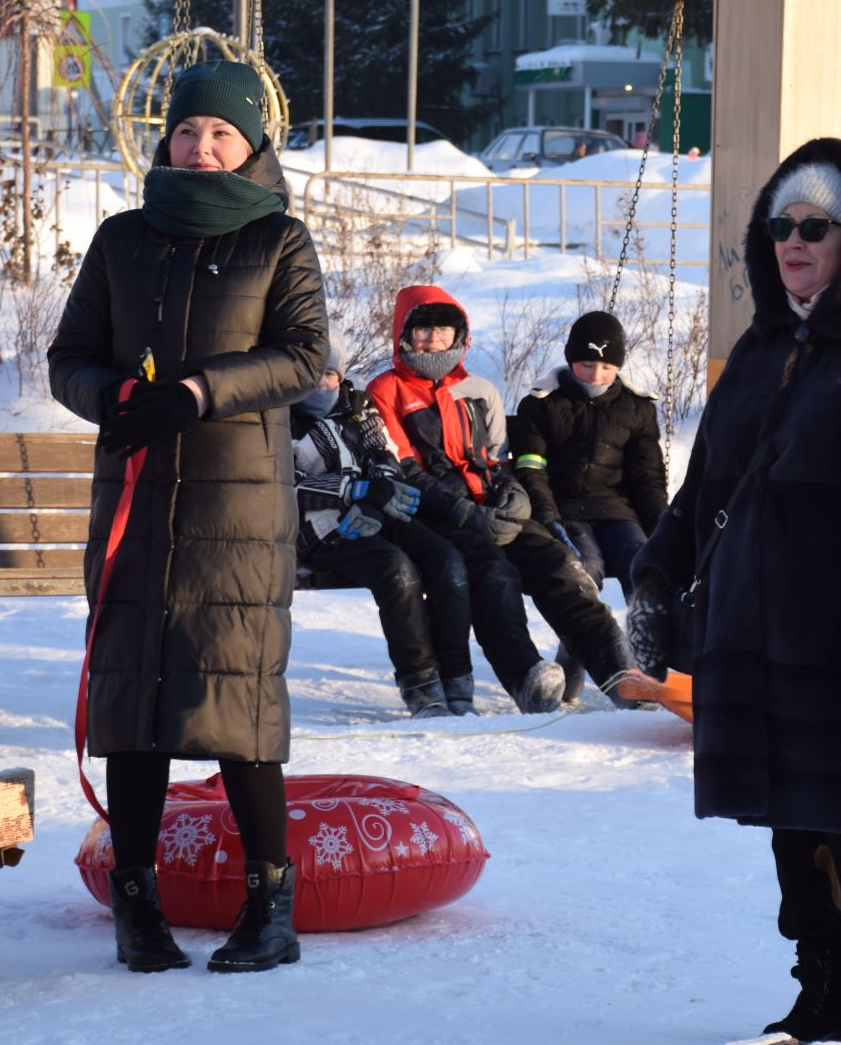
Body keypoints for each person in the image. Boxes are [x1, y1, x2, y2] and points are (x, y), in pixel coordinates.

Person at [627, 138, 841, 1045]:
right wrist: (657, 580)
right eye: (781, 224)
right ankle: (824, 997)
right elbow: (703, 488)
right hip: (753, 631)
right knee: (790, 825)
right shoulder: (759, 348)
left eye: (816, 226)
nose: (794, 240)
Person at [47, 59, 329, 976]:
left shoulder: (278, 238)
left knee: (235, 703)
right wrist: (114, 396)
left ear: (251, 145)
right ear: (163, 139)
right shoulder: (122, 239)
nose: (200, 148)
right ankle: (139, 909)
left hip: (236, 507)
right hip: (135, 499)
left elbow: (303, 358)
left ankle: (270, 911)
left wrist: (201, 393)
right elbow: (69, 357)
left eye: (220, 133)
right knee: (134, 705)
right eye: (185, 131)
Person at [366, 285, 646, 713]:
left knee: (560, 565)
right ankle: (526, 675)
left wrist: (513, 493)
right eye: (422, 331)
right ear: (403, 335)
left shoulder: (479, 389)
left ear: (459, 333)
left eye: (443, 330)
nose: (433, 340)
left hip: (491, 507)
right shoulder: (386, 391)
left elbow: (498, 459)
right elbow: (405, 470)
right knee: (493, 573)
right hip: (435, 517)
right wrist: (462, 511)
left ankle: (619, 672)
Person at [290, 350, 478, 718]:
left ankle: (458, 681)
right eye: (311, 373)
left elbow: (384, 452)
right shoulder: (278, 414)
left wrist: (378, 496)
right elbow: (285, 483)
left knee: (447, 561)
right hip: (323, 524)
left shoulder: (355, 404)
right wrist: (352, 491)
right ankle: (421, 686)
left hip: (380, 509)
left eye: (328, 373)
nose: (320, 383)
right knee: (396, 570)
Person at [511, 310, 667, 700]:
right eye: (587, 365)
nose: (596, 376)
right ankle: (574, 670)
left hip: (617, 512)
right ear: (570, 359)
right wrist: (547, 516)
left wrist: (662, 528)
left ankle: (655, 669)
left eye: (606, 367)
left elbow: (646, 477)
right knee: (585, 569)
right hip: (566, 511)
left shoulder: (636, 408)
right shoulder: (542, 405)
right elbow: (531, 469)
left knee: (644, 565)